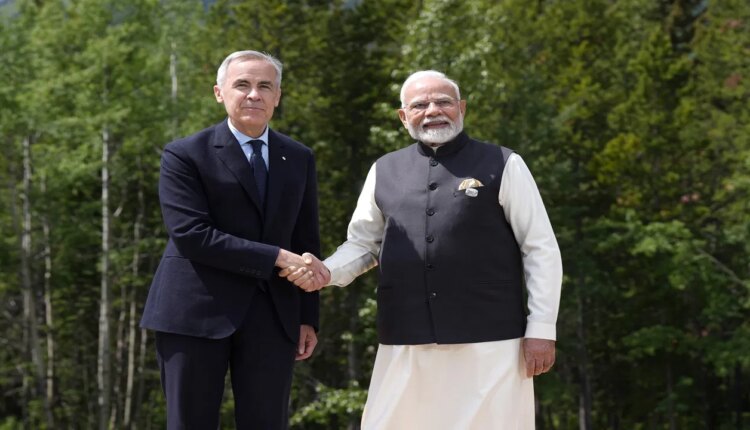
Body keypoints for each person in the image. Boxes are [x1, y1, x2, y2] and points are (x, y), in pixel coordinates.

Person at [282, 70, 563, 429]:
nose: (433, 111)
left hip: (492, 340)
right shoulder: (384, 170)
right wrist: (326, 271)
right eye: (419, 105)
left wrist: (542, 328)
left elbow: (540, 249)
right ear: (403, 116)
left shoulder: (504, 163)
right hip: (404, 336)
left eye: (444, 101)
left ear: (462, 108)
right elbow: (364, 244)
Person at [140, 50, 323, 430]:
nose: (254, 94)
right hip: (194, 312)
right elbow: (192, 235)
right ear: (219, 92)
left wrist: (308, 317)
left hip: (274, 314)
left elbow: (306, 238)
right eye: (242, 85)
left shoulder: (299, 157)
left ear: (277, 96)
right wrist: (276, 257)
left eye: (265, 86)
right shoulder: (184, 154)